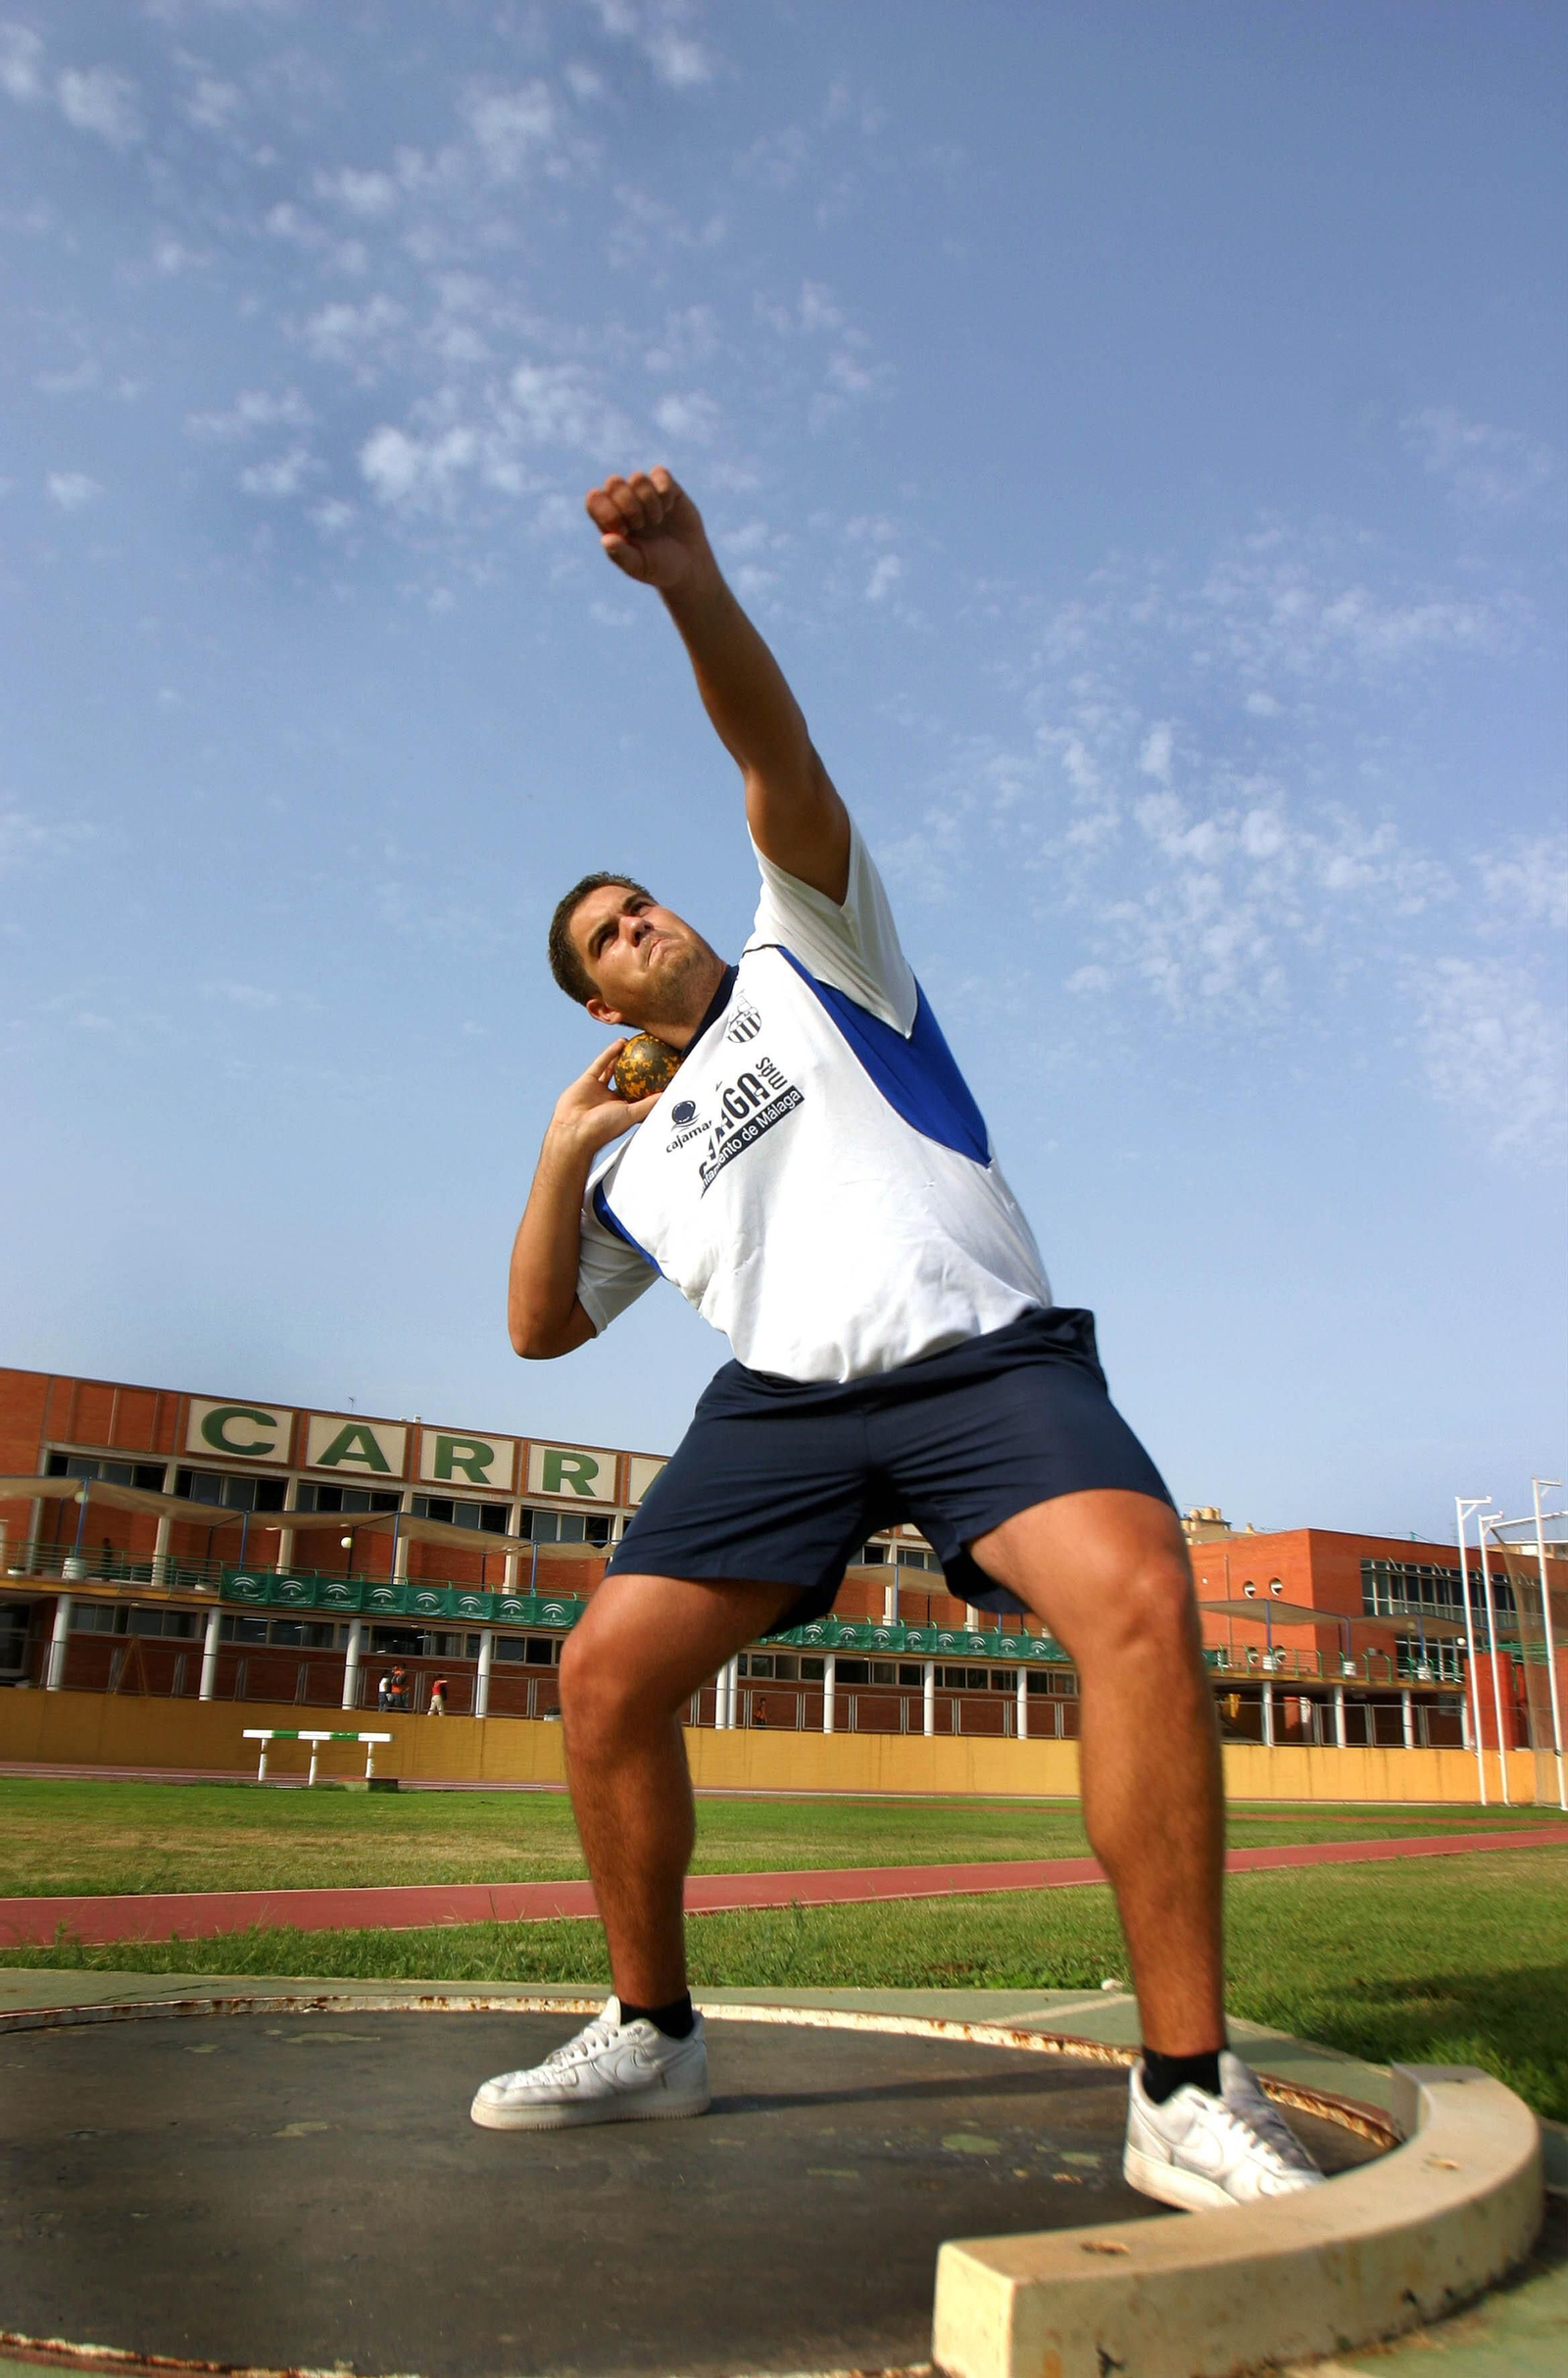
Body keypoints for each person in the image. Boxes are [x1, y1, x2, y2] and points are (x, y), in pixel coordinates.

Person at [471, 468, 1322, 2210]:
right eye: (605, 939)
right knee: (601, 1677)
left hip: (977, 1359)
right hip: (780, 1407)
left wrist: (689, 588)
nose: (644, 926)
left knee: (1143, 1595)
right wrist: (562, 1154)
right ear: (595, 1006)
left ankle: (1182, 2084)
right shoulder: (636, 1158)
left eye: (641, 902)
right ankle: (652, 2029)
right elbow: (540, 1329)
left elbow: (776, 756)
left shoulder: (813, 952)